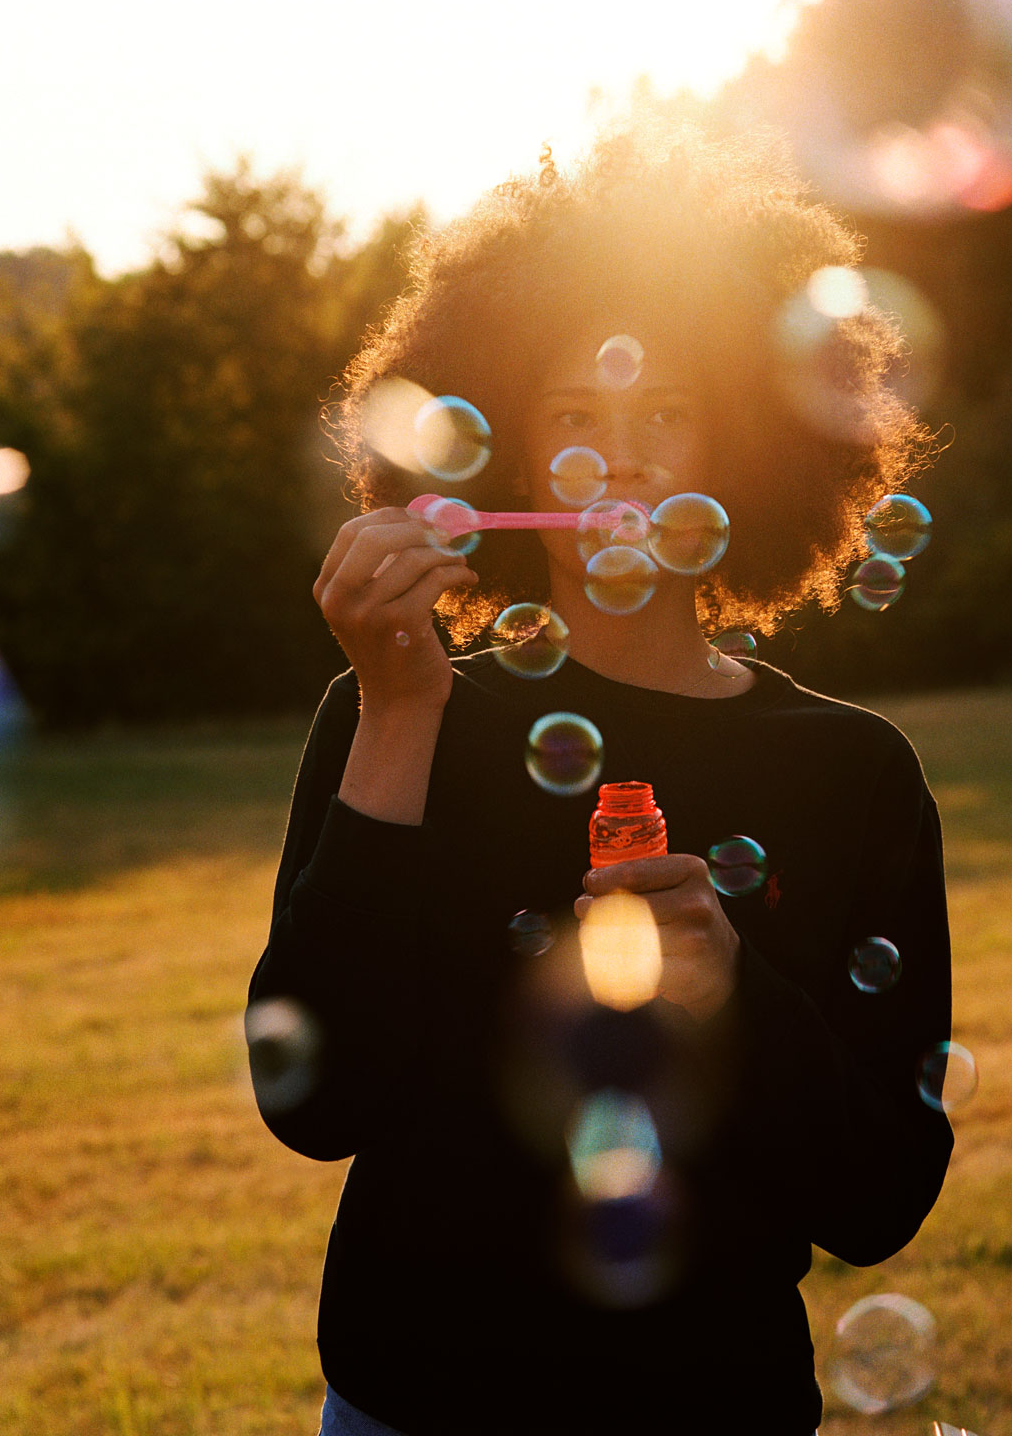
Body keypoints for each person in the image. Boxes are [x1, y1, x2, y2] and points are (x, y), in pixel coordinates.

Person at [247, 120, 953, 1436]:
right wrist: (402, 710)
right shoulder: (396, 706)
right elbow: (317, 1101)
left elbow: (881, 1198)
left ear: (744, 449)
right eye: (575, 416)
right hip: (419, 1401)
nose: (619, 458)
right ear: (506, 458)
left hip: (706, 1404)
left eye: (666, 414)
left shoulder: (850, 773)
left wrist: (735, 986)